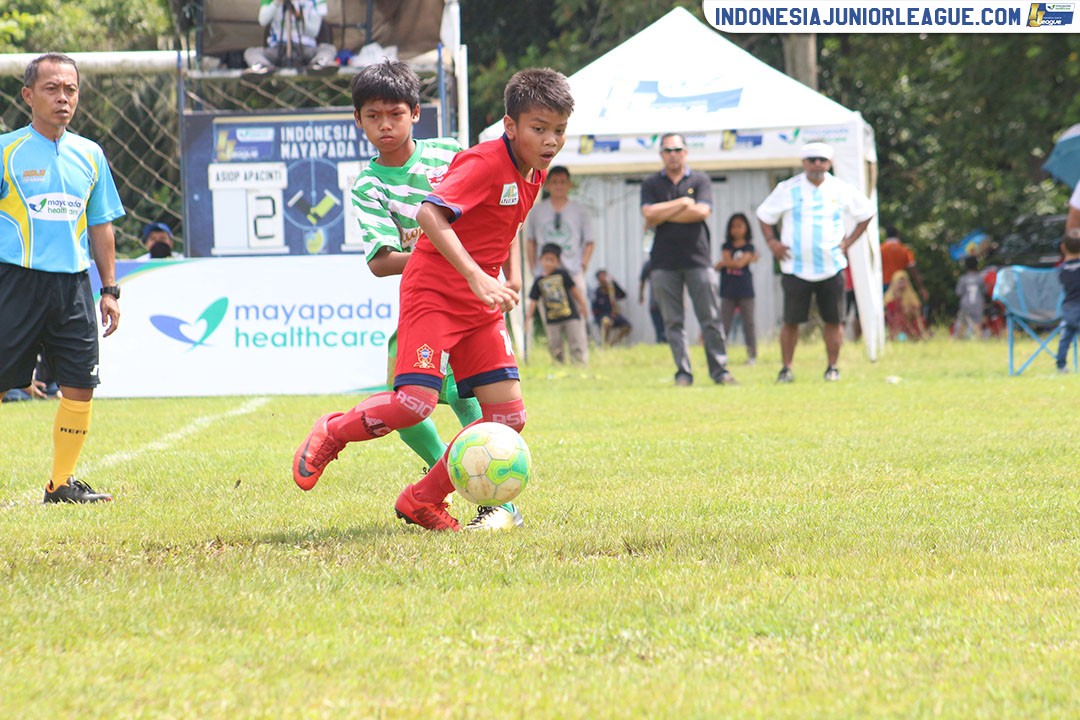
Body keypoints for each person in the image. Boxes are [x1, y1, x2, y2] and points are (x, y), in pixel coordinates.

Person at [292, 67, 574, 531]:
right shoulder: (484, 162)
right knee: (413, 404)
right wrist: (478, 277)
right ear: (510, 126)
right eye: (539, 129)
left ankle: (420, 499)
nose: (550, 141)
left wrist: (510, 277)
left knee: (509, 417)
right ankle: (333, 430)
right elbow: (428, 213)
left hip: (478, 303)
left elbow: (509, 226)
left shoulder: (533, 171)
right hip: (434, 293)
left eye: (558, 130)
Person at [0, 53, 125, 503]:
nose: (63, 98)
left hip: (73, 285)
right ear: (28, 95)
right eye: (52, 89)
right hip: (14, 281)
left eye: (70, 90)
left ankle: (61, 484)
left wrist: (109, 289)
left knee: (79, 385)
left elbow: (101, 224)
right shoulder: (6, 150)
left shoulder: (90, 154)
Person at [756, 141, 875, 383]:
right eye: (812, 160)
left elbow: (866, 212)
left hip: (831, 265)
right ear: (803, 163)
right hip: (795, 267)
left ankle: (832, 367)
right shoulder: (788, 188)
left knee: (834, 319)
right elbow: (764, 215)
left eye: (822, 160)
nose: (817, 165)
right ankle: (786, 368)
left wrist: (850, 241)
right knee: (791, 321)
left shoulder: (840, 188)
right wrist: (772, 243)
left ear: (829, 163)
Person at [641, 133, 735, 386]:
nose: (673, 154)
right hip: (662, 263)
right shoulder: (651, 183)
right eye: (668, 150)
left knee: (711, 319)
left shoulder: (700, 179)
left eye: (677, 149)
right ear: (661, 154)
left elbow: (702, 211)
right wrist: (683, 202)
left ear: (686, 152)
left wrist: (662, 213)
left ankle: (720, 371)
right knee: (673, 322)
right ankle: (683, 373)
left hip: (698, 260)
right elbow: (648, 213)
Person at [524, 166, 594, 342]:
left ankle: (580, 353)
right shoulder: (537, 211)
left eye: (563, 182)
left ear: (569, 184)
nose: (559, 186)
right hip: (545, 272)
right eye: (554, 182)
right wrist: (534, 267)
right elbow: (530, 241)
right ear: (547, 185)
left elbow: (589, 241)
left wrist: (583, 265)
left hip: (572, 269)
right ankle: (556, 354)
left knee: (578, 312)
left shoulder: (580, 210)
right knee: (550, 317)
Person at [525, 244, 589, 364]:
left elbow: (574, 291)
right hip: (552, 319)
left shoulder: (562, 274)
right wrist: (528, 317)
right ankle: (559, 366)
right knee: (555, 346)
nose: (549, 263)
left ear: (558, 262)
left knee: (575, 342)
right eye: (546, 259)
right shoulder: (539, 280)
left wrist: (583, 305)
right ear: (540, 260)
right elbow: (533, 299)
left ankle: (579, 365)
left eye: (552, 260)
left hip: (570, 316)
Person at [243, 0, 337, 76]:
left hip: (305, 48)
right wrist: (277, 3)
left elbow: (313, 33)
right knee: (250, 52)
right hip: (278, 48)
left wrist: (300, 18)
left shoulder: (316, 1)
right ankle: (262, 67)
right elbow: (263, 21)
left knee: (328, 49)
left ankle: (319, 64)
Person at [715, 212, 758, 365]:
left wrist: (723, 264)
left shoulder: (749, 247)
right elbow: (735, 260)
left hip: (745, 290)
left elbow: (738, 264)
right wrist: (732, 262)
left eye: (740, 226)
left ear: (746, 228)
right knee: (724, 324)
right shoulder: (726, 246)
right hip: (728, 290)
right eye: (733, 226)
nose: (736, 230)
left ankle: (752, 356)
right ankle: (720, 356)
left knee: (749, 324)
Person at [880, 226, 928, 300]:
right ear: (897, 235)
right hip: (901, 285)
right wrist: (921, 287)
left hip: (885, 284)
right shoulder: (904, 250)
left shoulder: (880, 250)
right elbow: (912, 269)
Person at [1055, 228, 1080, 373]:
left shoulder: (1061, 270)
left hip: (1069, 311)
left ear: (1063, 248)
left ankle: (1061, 364)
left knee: (1065, 337)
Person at [591, 269, 632, 345]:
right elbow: (595, 309)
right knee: (607, 323)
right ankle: (604, 343)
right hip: (603, 316)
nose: (604, 279)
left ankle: (612, 343)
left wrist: (614, 282)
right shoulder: (596, 293)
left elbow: (622, 295)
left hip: (614, 314)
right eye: (601, 277)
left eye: (605, 276)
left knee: (627, 326)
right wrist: (603, 316)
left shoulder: (612, 289)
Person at [884, 270, 927, 341]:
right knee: (899, 318)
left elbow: (917, 309)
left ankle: (915, 336)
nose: (902, 284)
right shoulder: (889, 295)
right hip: (895, 321)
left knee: (920, 321)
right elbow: (889, 311)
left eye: (903, 282)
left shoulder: (911, 294)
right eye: (899, 282)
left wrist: (910, 310)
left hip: (910, 319)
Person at [954, 256, 986, 339]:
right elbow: (984, 291)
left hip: (965, 304)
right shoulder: (980, 278)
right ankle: (980, 340)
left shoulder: (963, 279)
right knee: (977, 325)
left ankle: (957, 340)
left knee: (961, 324)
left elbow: (959, 293)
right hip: (977, 305)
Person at [638, 257, 666, 343]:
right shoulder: (649, 263)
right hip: (655, 303)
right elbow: (642, 280)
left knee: (669, 328)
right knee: (660, 330)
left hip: (668, 303)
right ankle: (662, 344)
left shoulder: (670, 261)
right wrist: (641, 295)